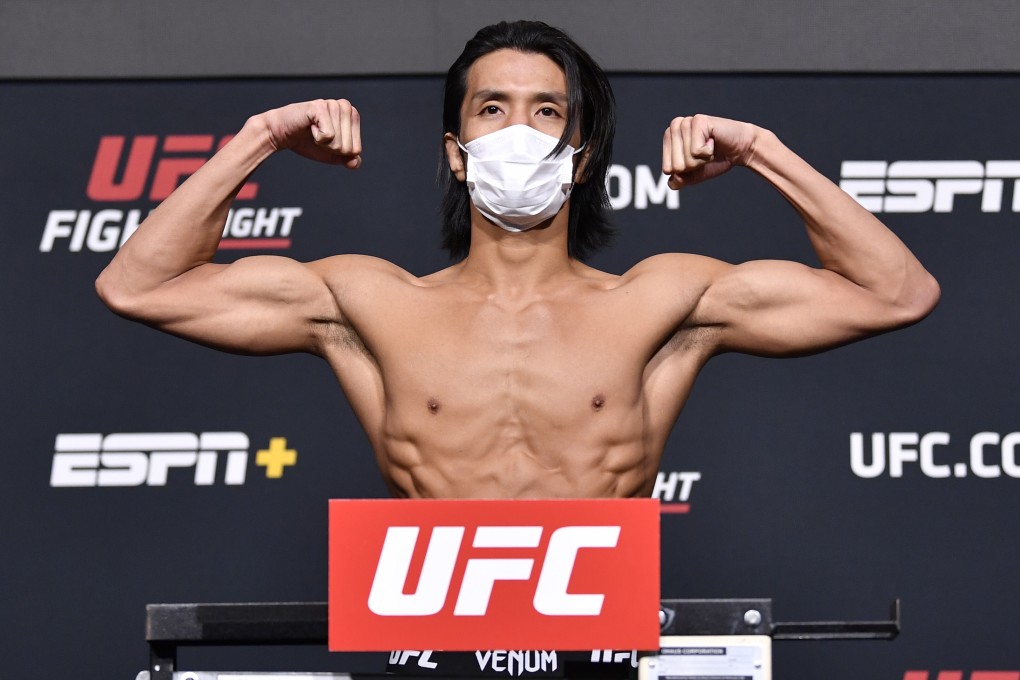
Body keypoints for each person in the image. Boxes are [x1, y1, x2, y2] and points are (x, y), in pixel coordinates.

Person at [95, 20, 939, 502]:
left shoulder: (664, 299)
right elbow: (137, 285)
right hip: (429, 643)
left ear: (579, 154)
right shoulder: (365, 300)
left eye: (546, 112)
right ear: (457, 153)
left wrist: (760, 149)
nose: (517, 132)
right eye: (492, 108)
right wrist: (260, 138)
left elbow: (897, 294)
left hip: (603, 641)